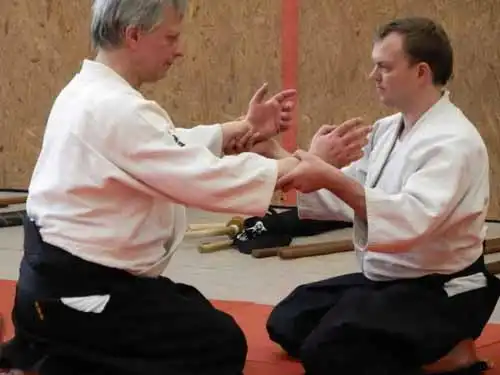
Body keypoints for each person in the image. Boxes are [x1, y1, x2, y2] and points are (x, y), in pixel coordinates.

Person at [1, 1, 371, 375]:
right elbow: (204, 179)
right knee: (218, 344)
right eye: (171, 37)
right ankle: (58, 361)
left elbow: (164, 145)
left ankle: (48, 345)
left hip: (53, 290)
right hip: (77, 296)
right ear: (134, 35)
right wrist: (306, 164)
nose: (179, 50)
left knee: (189, 308)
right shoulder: (115, 108)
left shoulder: (87, 92)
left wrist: (240, 130)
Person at [265, 17, 500, 375]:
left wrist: (325, 173)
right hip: (388, 278)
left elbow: (410, 220)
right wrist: (277, 154)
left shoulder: (454, 142)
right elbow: (351, 190)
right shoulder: (390, 129)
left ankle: (452, 351)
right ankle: (420, 347)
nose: (372, 75)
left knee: (326, 354)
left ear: (421, 72)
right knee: (288, 319)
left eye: (384, 67)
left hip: (439, 291)